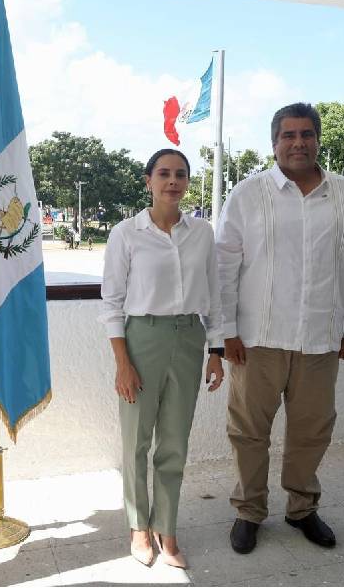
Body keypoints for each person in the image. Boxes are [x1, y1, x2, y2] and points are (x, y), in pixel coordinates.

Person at [215, 103, 344, 554]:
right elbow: (224, 266)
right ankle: (249, 511)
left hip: (321, 339)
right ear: (274, 143)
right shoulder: (248, 194)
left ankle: (302, 508)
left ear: (318, 139)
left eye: (306, 134)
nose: (298, 142)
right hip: (256, 340)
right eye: (288, 135)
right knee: (249, 432)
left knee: (312, 429)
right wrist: (225, 330)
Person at [100, 148, 225, 569]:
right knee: (136, 439)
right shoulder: (126, 233)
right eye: (164, 173)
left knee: (174, 440)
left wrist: (217, 350)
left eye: (181, 174)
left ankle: (166, 528)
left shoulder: (202, 233)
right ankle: (139, 525)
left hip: (189, 338)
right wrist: (123, 362)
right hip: (142, 339)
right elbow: (112, 302)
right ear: (148, 180)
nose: (173, 181)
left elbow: (214, 295)